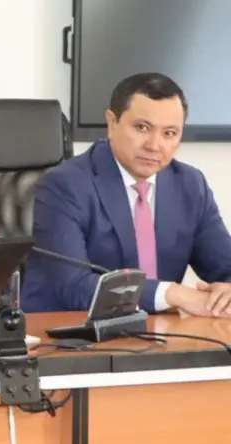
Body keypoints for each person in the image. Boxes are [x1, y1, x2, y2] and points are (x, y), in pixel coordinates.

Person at [22, 72, 231, 318]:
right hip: (67, 331)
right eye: (142, 128)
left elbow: (224, 266)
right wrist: (171, 293)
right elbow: (75, 288)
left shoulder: (190, 184)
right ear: (112, 123)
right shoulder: (64, 185)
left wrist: (226, 291)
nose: (154, 145)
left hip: (160, 332)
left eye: (169, 133)